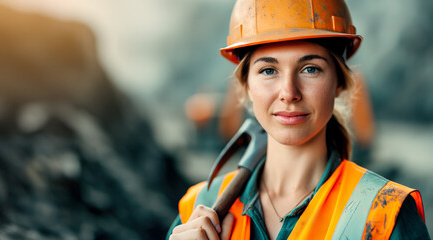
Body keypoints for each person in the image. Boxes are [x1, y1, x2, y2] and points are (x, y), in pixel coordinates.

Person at [167, 0, 430, 239]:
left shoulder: (386, 215)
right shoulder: (197, 210)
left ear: (339, 82)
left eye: (310, 69)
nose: (289, 93)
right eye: (269, 70)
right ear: (246, 86)